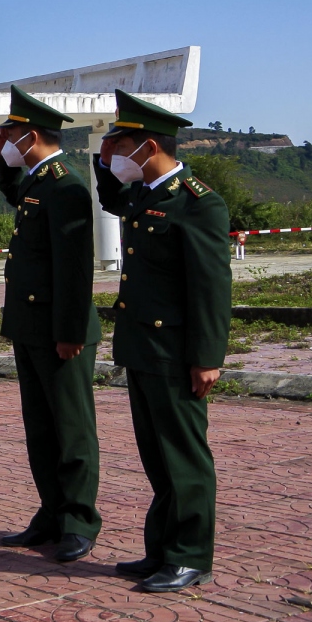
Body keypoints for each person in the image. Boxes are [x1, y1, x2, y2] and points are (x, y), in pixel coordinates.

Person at [94, 89, 231, 592]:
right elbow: (109, 195)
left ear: (148, 146)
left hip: (176, 353)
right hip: (143, 349)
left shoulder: (198, 203)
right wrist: (103, 157)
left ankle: (192, 555)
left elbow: (211, 287)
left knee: (184, 457)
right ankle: (162, 551)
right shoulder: (144, 195)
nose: (113, 155)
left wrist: (207, 358)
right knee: (157, 457)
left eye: (120, 144)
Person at [0, 86, 102, 561]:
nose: (3, 141)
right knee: (40, 426)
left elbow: (75, 268)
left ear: (30, 135)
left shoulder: (66, 185)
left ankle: (78, 519)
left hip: (60, 330)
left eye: (9, 134)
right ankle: (51, 512)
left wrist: (70, 331)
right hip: (32, 326)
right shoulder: (37, 181)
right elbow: (13, 189)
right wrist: (0, 159)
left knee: (71, 427)